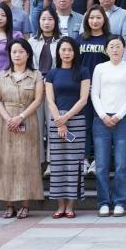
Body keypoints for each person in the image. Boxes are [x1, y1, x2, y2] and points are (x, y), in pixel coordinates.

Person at [0, 38, 44, 219]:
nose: (17, 55)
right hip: (6, 123)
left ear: (28, 54)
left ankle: (26, 204)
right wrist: (8, 118)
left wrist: (20, 117)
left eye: (21, 51)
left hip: (27, 120)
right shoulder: (2, 75)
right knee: (6, 162)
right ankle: (9, 204)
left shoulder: (36, 75)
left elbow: (38, 100)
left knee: (26, 161)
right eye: (14, 52)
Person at [88, 34, 126, 216]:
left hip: (123, 120)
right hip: (101, 120)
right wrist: (103, 115)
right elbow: (95, 94)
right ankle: (104, 202)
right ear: (106, 49)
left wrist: (118, 115)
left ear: (124, 49)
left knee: (122, 163)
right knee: (101, 165)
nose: (115, 49)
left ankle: (120, 201)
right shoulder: (100, 68)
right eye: (112, 46)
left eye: (118, 46)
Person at [44, 38, 89, 218]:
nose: (67, 53)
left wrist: (66, 118)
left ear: (75, 52)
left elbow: (83, 99)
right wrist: (59, 120)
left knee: (74, 164)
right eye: (63, 50)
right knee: (58, 164)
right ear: (58, 52)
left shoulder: (83, 72)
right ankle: (60, 206)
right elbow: (50, 100)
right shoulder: (52, 73)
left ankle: (70, 206)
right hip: (56, 120)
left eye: (70, 50)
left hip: (76, 120)